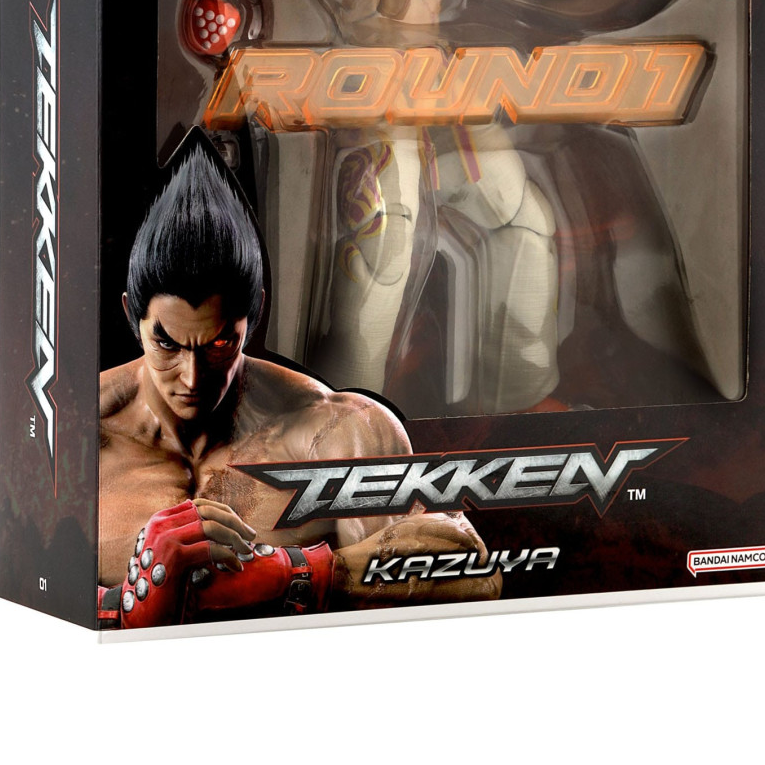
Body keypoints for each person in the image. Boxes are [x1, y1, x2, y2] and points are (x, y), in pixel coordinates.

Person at [295, 0, 689, 411]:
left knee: (522, 223)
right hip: (373, 85)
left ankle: (519, 403)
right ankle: (346, 418)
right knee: (382, 246)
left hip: (442, 85)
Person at [97, 134, 498, 629]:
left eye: (221, 344)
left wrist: (292, 574)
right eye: (167, 344)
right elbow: (26, 587)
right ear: (131, 316)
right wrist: (125, 606)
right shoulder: (77, 438)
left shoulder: (334, 429)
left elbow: (472, 570)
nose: (192, 376)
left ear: (255, 316)